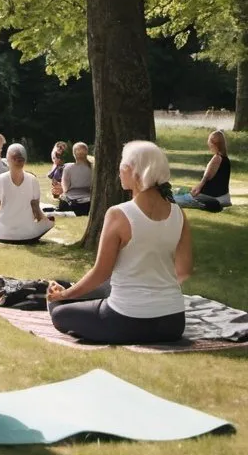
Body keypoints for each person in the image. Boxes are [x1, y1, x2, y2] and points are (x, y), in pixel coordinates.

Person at [48, 141, 192, 344]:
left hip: (125, 319)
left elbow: (101, 272)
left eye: (123, 164)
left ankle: (68, 303)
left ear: (134, 171)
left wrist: (64, 295)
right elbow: (184, 271)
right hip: (173, 322)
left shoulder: (118, 214)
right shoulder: (179, 214)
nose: (120, 169)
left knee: (59, 312)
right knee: (101, 288)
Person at [0, 143, 54, 244]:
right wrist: (46, 221)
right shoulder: (33, 179)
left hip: (0, 234)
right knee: (51, 221)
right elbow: (36, 209)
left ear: (8, 159)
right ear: (24, 160)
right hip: (28, 235)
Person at [175, 131, 232, 210]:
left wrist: (195, 191)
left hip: (211, 197)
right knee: (180, 190)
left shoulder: (217, 158)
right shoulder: (226, 159)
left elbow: (205, 178)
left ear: (212, 143)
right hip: (222, 195)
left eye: (209, 140)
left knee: (175, 198)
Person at [58, 141, 93, 216]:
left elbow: (65, 189)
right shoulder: (93, 168)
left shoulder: (68, 168)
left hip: (72, 204)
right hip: (89, 204)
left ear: (74, 154)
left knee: (62, 196)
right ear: (87, 153)